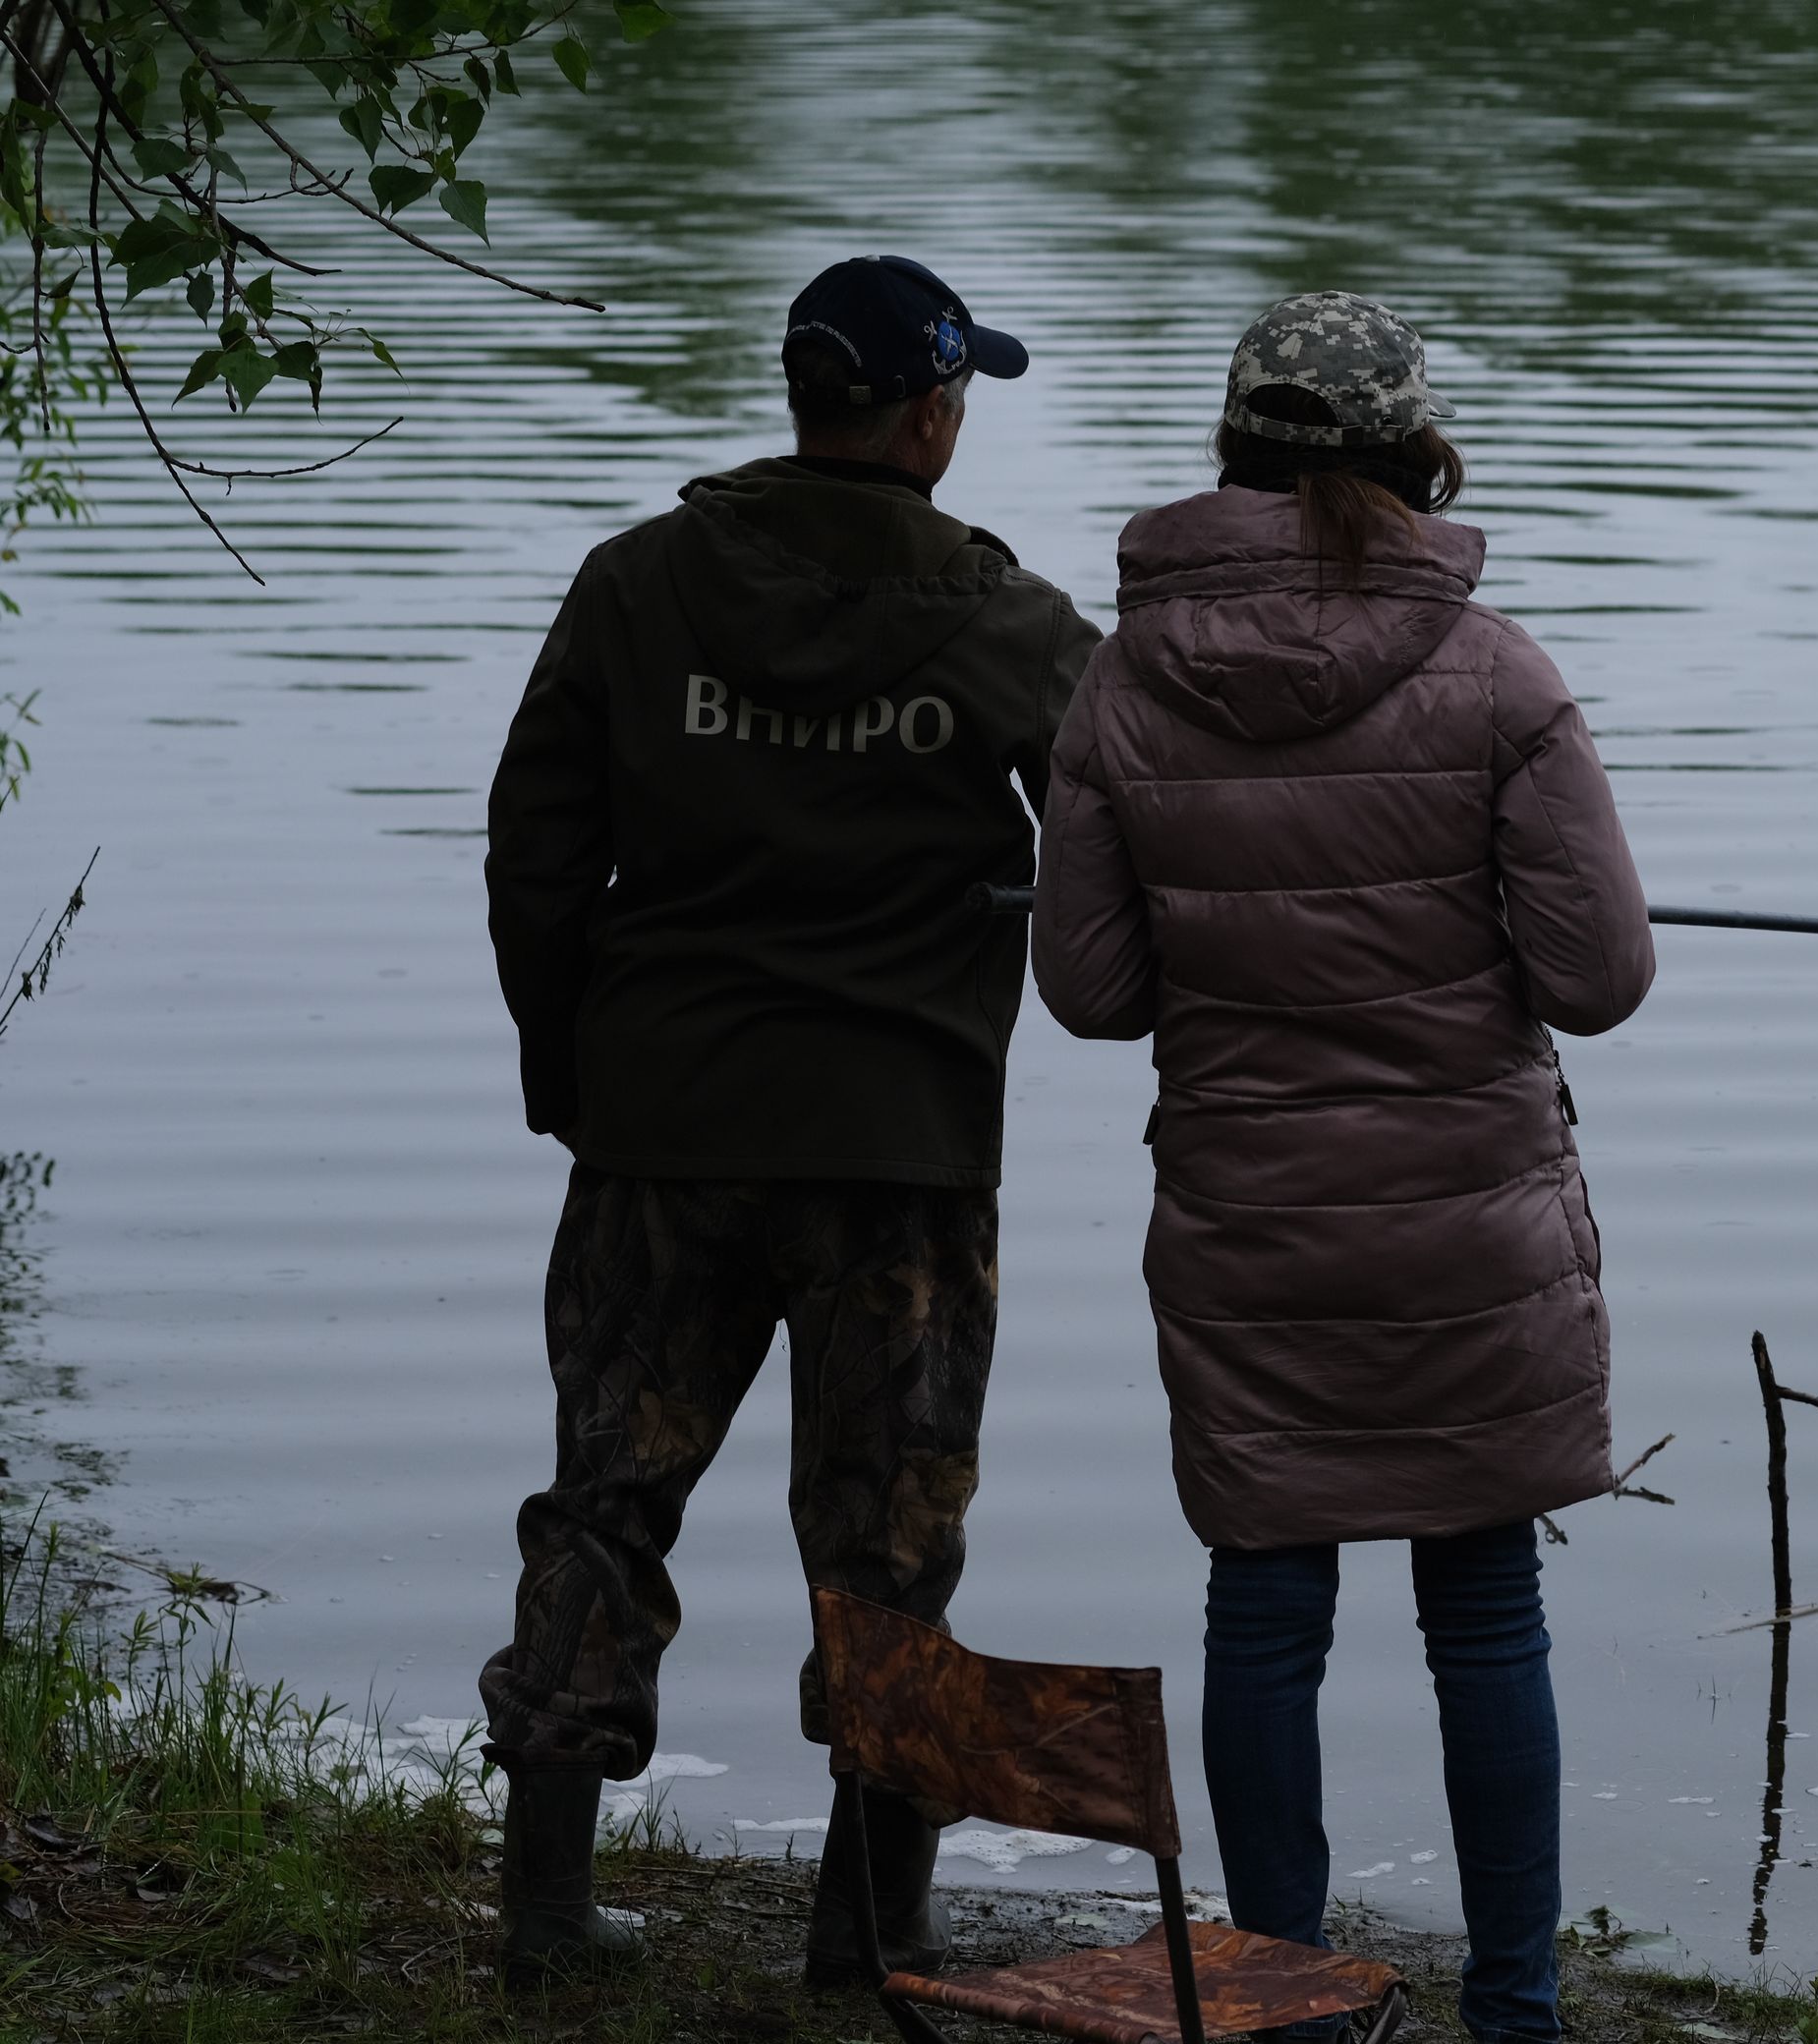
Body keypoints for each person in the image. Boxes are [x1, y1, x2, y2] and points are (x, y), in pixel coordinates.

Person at [1032, 292, 1656, 2043]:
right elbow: (1600, 983)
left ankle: (1280, 2008)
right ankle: (1516, 2015)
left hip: (1249, 1218)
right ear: (1413, 451)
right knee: (1484, 1610)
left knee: (1265, 1610)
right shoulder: (1503, 677)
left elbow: (1087, 991)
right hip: (1469, 1231)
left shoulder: (1122, 680)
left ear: (1233, 447)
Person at [479, 255, 1099, 1988]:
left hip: (662, 1133)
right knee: (892, 1540)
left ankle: (540, 1918)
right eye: (962, 394)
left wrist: (569, 1069)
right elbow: (1131, 828)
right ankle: (868, 1935)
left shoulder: (637, 584)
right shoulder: (1004, 618)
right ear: (927, 414)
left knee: (606, 1504)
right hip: (897, 1158)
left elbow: (535, 854)